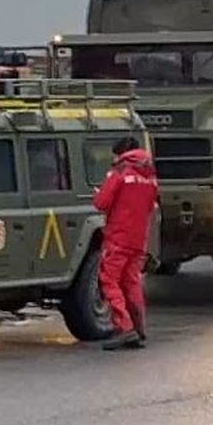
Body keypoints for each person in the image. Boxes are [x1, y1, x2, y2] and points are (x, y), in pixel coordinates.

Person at [93, 137, 160, 351]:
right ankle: (139, 328)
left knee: (109, 280)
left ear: (120, 153)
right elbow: (150, 207)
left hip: (118, 238)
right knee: (132, 282)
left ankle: (125, 328)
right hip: (138, 239)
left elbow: (101, 203)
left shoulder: (120, 172)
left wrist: (100, 192)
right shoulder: (150, 176)